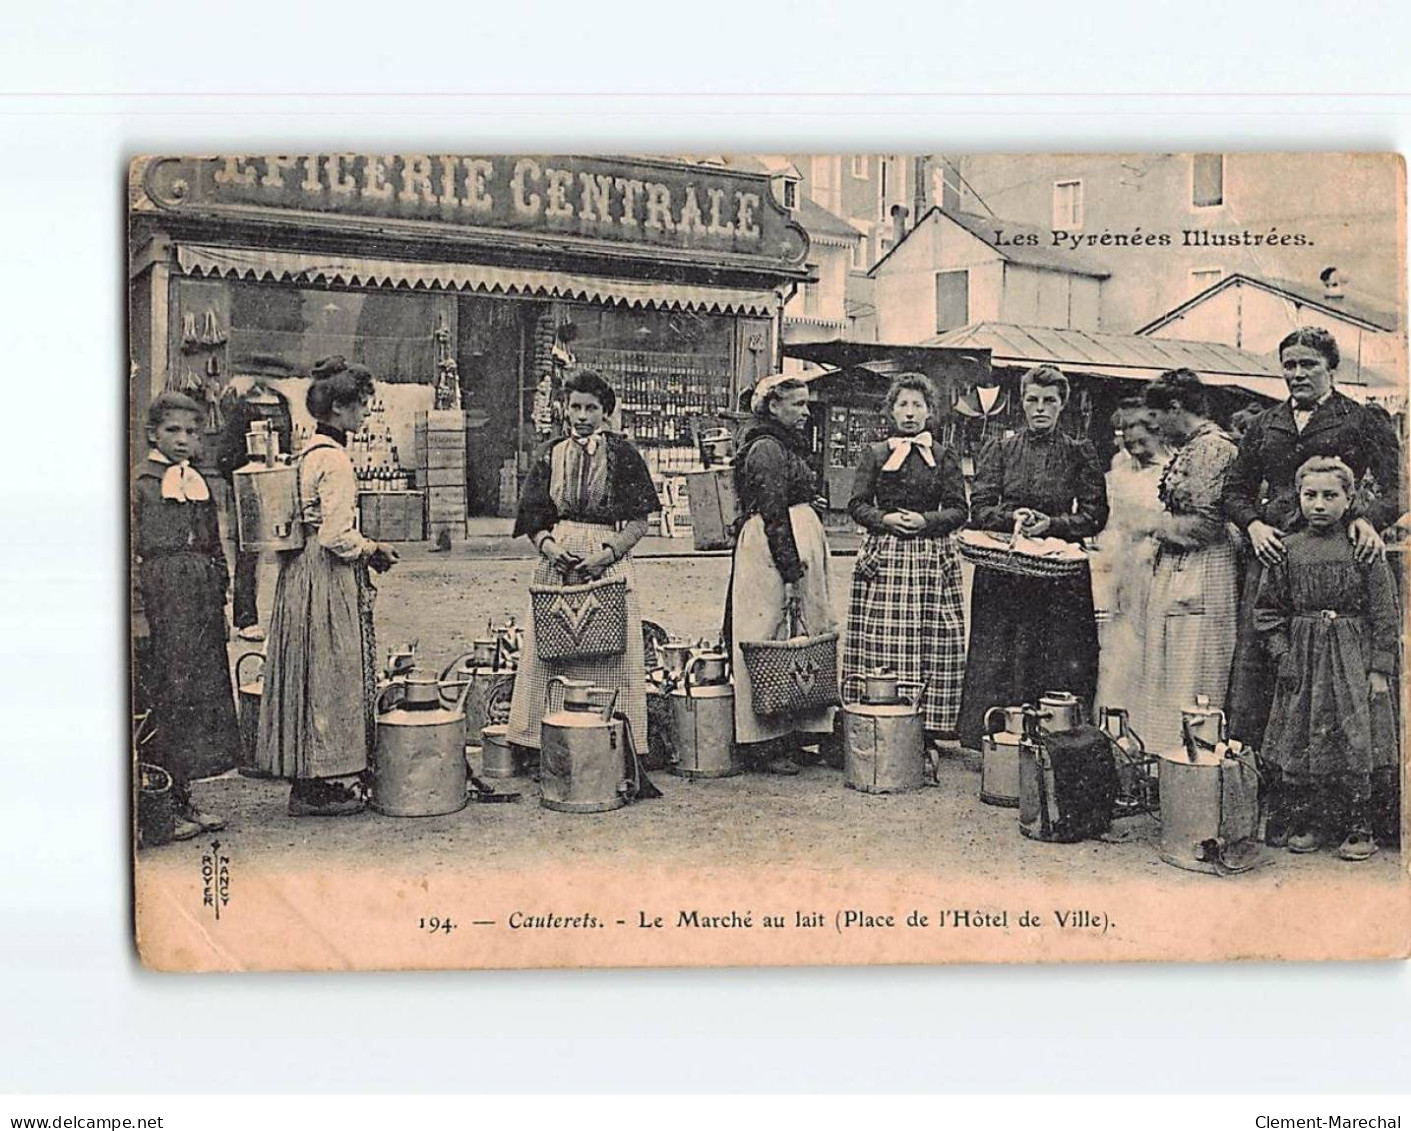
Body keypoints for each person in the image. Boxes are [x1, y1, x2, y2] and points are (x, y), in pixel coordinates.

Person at [1224, 326, 1403, 751]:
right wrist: (1253, 524)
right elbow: (1234, 490)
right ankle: (1261, 772)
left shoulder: (1360, 419)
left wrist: (1366, 519)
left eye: (1309, 364)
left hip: (1337, 556)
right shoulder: (1266, 423)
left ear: (1332, 368)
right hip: (1272, 555)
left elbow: (1401, 488)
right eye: (1289, 365)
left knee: (1333, 669)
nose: (1298, 374)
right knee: (1261, 659)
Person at [256, 358, 399, 816]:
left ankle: (308, 777)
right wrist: (372, 547)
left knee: (307, 669)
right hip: (327, 572)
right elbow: (339, 536)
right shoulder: (334, 461)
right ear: (338, 408)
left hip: (300, 571)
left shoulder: (305, 454)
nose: (364, 414)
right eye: (360, 406)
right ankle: (326, 782)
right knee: (331, 672)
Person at [506, 370, 659, 763]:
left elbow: (641, 522)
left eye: (591, 408)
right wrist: (550, 548)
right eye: (575, 406)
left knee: (611, 653)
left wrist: (607, 555)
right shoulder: (549, 453)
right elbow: (532, 519)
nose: (582, 415)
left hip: (606, 560)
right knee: (550, 648)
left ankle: (613, 745)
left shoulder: (623, 454)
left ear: (605, 412)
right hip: (558, 563)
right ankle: (539, 743)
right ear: (564, 409)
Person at [956, 364, 1109, 752]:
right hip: (1006, 568)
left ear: (1062, 405)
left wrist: (1053, 524)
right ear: (1022, 403)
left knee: (1055, 653)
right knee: (1001, 651)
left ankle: (1052, 740)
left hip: (1056, 572)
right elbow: (981, 507)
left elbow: (1095, 515)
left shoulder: (1078, 451)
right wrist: (1013, 518)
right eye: (1032, 400)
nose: (1040, 408)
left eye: (1049, 401)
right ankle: (997, 740)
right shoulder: (1002, 447)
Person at [1254, 457, 1399, 860]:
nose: (1319, 505)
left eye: (1330, 496)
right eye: (1310, 495)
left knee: (1354, 740)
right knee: (1304, 736)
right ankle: (1312, 821)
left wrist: (1379, 669)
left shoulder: (1364, 548)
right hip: (1303, 656)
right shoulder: (1286, 550)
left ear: (1350, 499)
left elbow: (1385, 612)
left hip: (1351, 654)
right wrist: (1282, 654)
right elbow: (1268, 611)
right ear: (1298, 497)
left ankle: (1359, 826)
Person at [133, 392, 239, 840]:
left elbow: (216, 548)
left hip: (197, 606)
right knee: (164, 700)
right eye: (173, 430)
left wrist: (221, 595)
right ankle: (157, 807)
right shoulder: (140, 483)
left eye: (192, 432)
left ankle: (184, 797)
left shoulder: (198, 482)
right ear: (153, 434)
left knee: (196, 699)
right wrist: (138, 615)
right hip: (160, 603)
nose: (183, 439)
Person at [844, 373, 968, 749]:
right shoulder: (876, 453)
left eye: (918, 405)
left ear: (930, 412)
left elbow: (959, 509)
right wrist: (886, 520)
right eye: (903, 405)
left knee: (934, 639)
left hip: (931, 558)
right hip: (888, 558)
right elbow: (857, 504)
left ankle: (927, 728)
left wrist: (926, 521)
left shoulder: (943, 456)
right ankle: (884, 715)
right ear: (891, 410)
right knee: (885, 640)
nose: (910, 413)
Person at [728, 374, 838, 775]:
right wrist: (791, 573)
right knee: (768, 632)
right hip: (773, 552)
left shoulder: (783, 445)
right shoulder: (766, 448)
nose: (806, 412)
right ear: (773, 406)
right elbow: (773, 513)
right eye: (798, 405)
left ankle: (792, 731)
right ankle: (764, 741)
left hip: (789, 541)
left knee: (796, 635)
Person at [1127, 370, 1240, 752]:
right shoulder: (1193, 446)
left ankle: (1191, 761)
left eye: (1156, 418)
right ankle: (1167, 759)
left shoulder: (1214, 448)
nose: (1154, 428)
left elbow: (1206, 525)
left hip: (1203, 568)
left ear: (1176, 409)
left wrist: (1154, 525)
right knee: (1169, 664)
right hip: (1179, 565)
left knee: (1194, 663)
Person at [1092, 405, 1170, 715]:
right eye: (1129, 443)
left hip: (1152, 560)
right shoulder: (1119, 471)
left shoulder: (1169, 471)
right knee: (1116, 642)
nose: (1135, 450)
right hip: (1119, 560)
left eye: (1142, 444)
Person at [217, 376, 294, 642]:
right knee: (248, 554)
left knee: (288, 547)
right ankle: (246, 618)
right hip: (248, 487)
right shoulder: (242, 404)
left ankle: (290, 616)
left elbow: (288, 444)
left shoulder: (282, 403)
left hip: (277, 483)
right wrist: (246, 479)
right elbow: (225, 456)